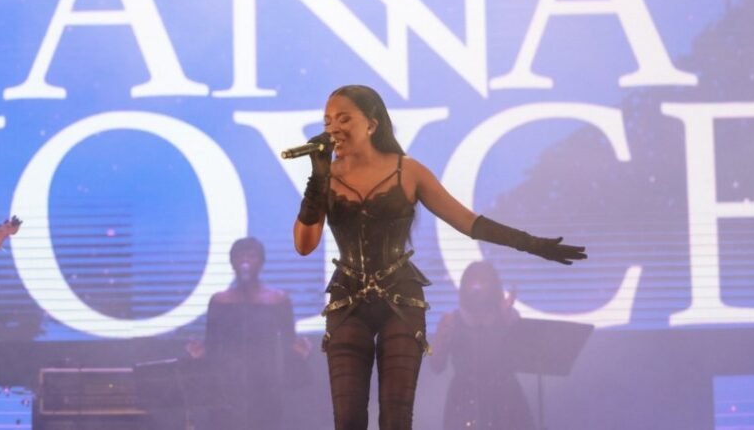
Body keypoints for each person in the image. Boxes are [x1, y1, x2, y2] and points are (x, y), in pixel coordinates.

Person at [292, 85, 586, 430]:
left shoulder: (408, 171)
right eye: (328, 121)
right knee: (347, 419)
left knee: (396, 418)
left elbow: (467, 222)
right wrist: (318, 178)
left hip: (400, 299)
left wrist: (534, 244)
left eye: (344, 119)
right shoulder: (326, 178)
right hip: (346, 300)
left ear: (371, 124)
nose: (333, 128)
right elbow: (304, 244)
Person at [187, 237, 311, 429]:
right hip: (226, 383)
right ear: (232, 262)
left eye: (251, 256)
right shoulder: (219, 300)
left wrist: (299, 354)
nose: (245, 261)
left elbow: (289, 343)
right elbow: (211, 344)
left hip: (266, 382)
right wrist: (200, 354)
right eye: (240, 256)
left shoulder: (278, 299)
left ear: (261, 262)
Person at [430, 260, 535, 430]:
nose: (478, 287)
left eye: (484, 280)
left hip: (505, 399)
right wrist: (442, 338)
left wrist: (506, 321)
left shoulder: (508, 316)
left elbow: (523, 358)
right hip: (465, 400)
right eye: (473, 280)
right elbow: (436, 366)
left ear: (493, 286)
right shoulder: (453, 320)